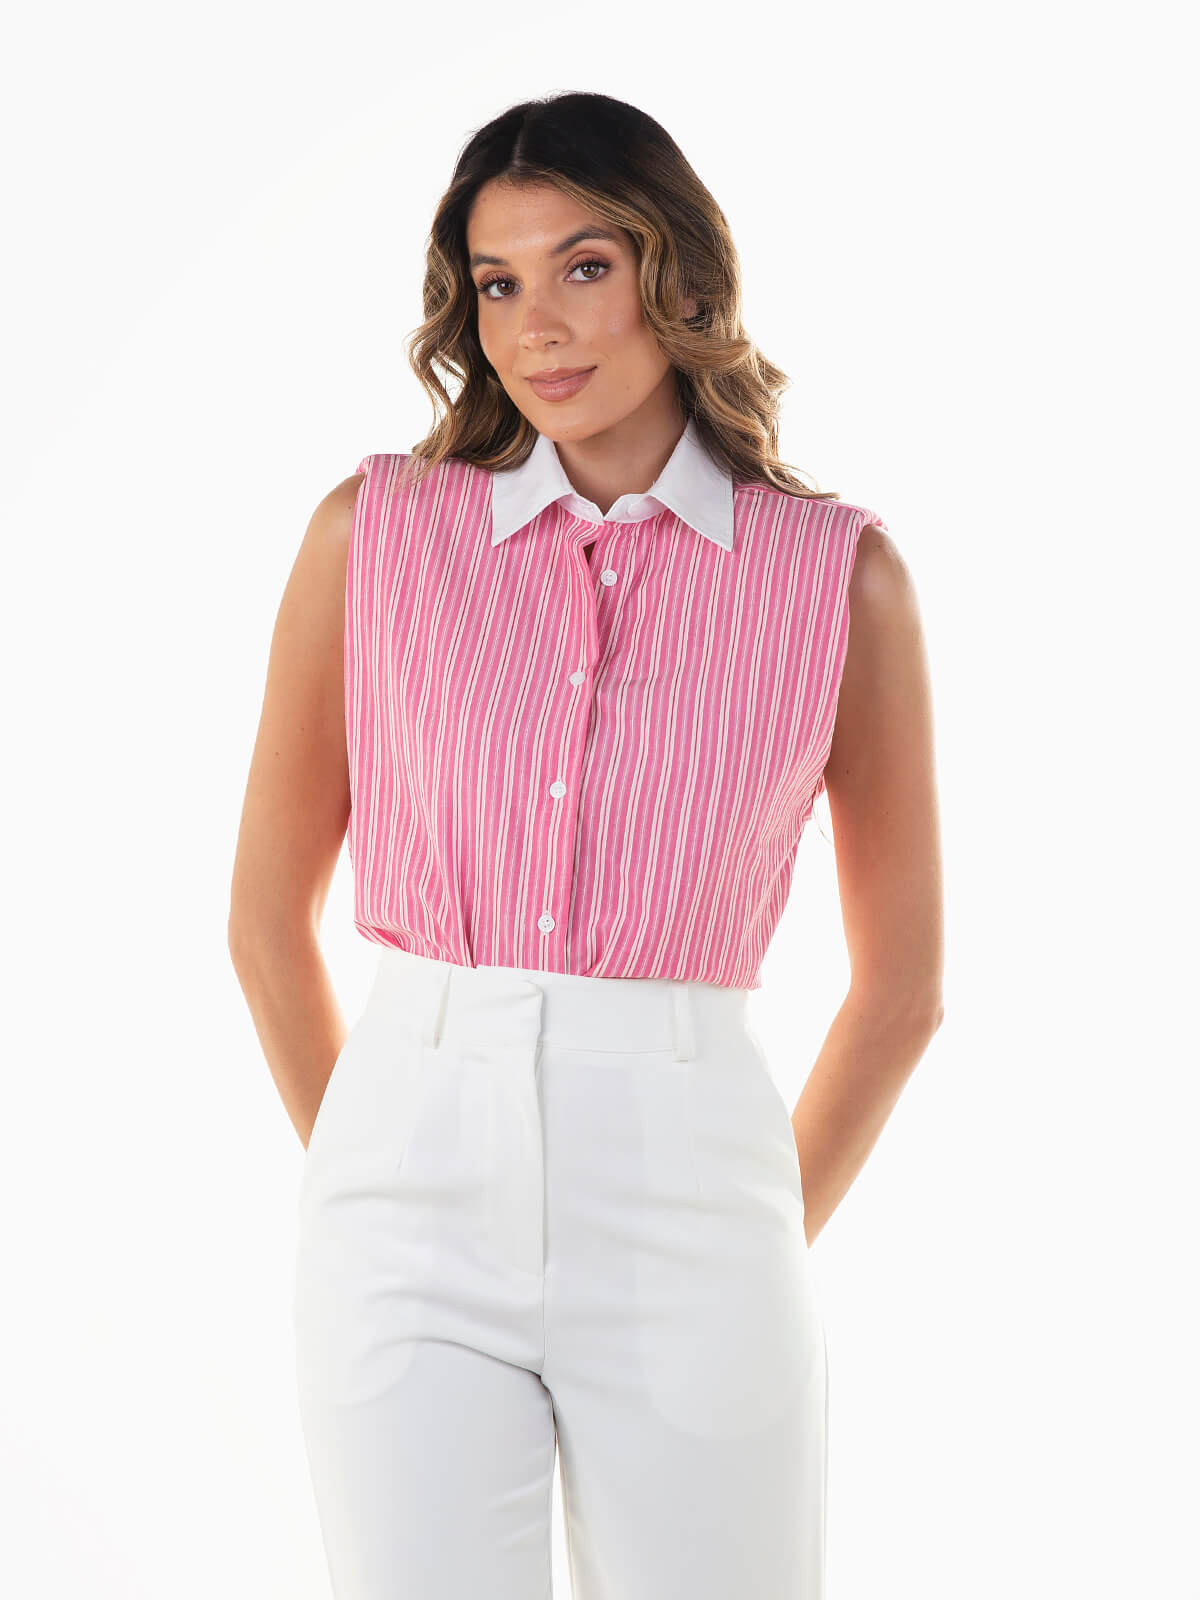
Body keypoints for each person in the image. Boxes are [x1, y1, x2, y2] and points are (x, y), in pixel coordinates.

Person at [229, 90, 944, 1600]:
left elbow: (901, 990)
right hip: (403, 1200)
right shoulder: (375, 537)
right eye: (497, 284)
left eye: (585, 266)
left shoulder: (838, 582)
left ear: (679, 272)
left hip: (695, 1198)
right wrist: (372, 1160)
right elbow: (264, 918)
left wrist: (749, 1228)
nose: (538, 326)